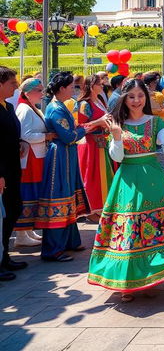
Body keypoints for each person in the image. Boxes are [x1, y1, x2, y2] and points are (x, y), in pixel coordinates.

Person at [87, 79, 164, 301]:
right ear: (124, 99)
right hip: (127, 181)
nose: (136, 101)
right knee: (129, 231)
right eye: (131, 97)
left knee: (154, 229)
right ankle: (127, 283)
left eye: (140, 96)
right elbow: (116, 157)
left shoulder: (156, 122)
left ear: (146, 98)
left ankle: (151, 275)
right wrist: (117, 137)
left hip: (153, 181)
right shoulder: (117, 123)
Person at [37, 72, 106, 262]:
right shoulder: (56, 109)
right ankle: (53, 249)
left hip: (67, 154)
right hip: (60, 156)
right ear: (61, 89)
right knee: (58, 196)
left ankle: (69, 241)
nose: (73, 90)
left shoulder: (60, 106)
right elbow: (68, 136)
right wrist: (90, 127)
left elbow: (69, 133)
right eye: (70, 87)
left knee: (68, 196)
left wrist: (79, 129)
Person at [14, 78, 50, 247]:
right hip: (29, 159)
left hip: (35, 157)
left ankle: (28, 230)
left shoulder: (30, 108)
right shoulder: (24, 109)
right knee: (27, 193)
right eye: (39, 91)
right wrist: (46, 136)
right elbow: (25, 134)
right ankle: (21, 234)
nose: (42, 94)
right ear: (28, 93)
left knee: (32, 193)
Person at [77, 74, 115, 220]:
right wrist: (99, 122)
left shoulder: (99, 100)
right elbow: (81, 126)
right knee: (92, 178)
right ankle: (92, 210)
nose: (102, 86)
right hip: (91, 144)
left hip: (102, 143)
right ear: (91, 86)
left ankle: (101, 207)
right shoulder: (84, 104)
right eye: (99, 84)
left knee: (103, 177)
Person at [0, 66, 26, 278]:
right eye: (11, 83)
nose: (16, 86)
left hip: (12, 167)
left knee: (13, 209)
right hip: (2, 171)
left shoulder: (7, 106)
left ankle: (4, 256)